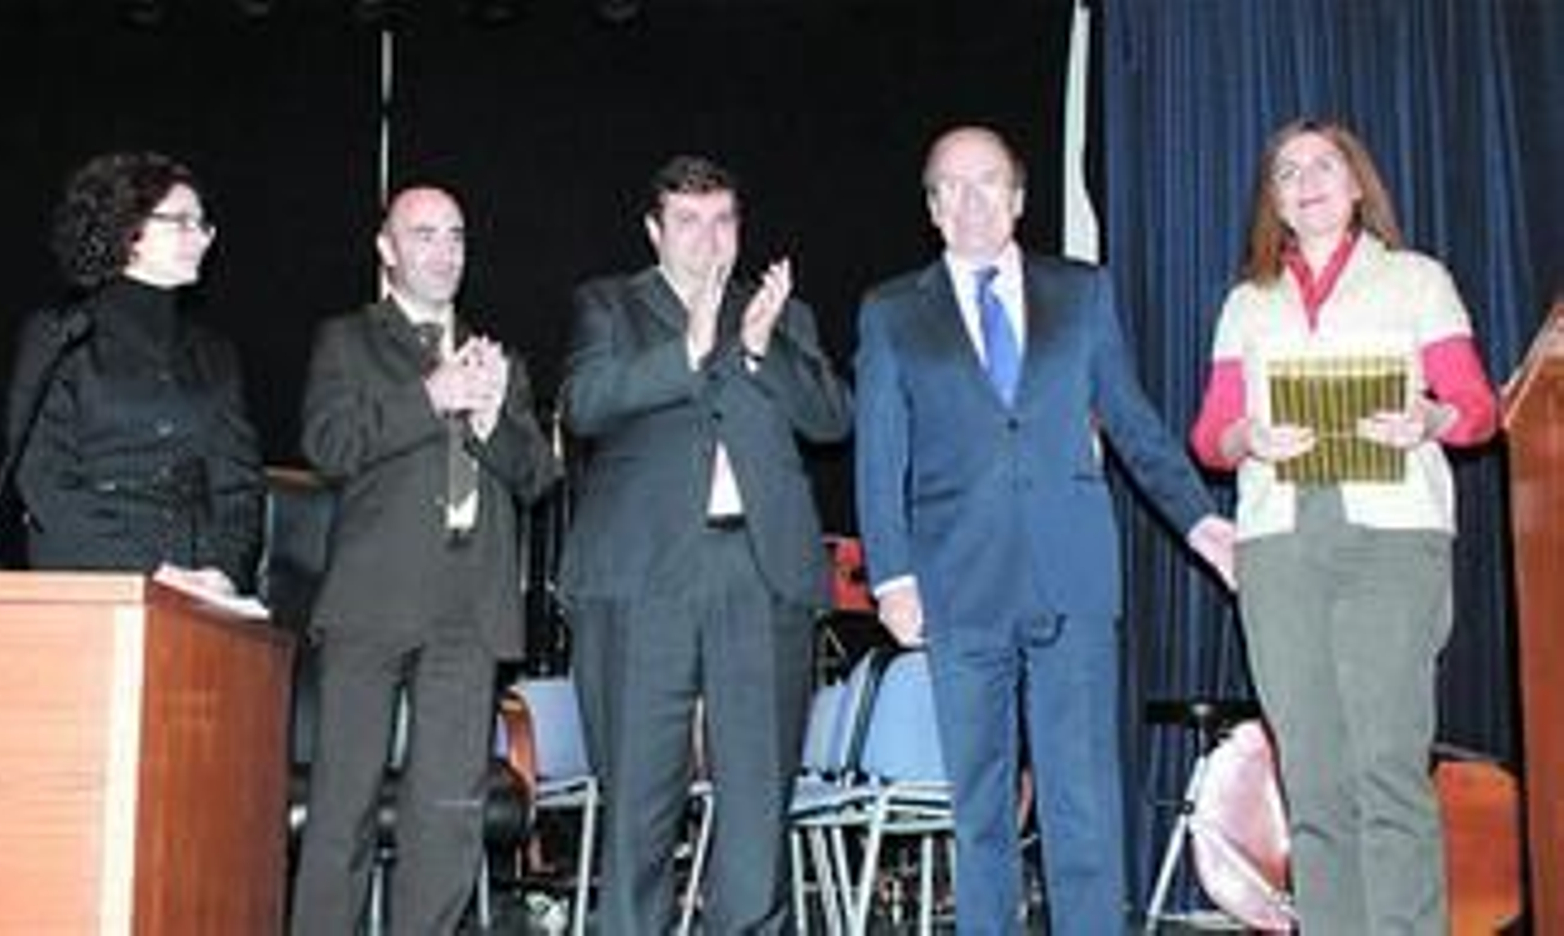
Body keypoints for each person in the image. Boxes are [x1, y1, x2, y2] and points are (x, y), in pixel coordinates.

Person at [854, 124, 1236, 935]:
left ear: (1020, 198)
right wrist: (891, 577)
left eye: (987, 182)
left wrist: (1203, 525)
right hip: (956, 584)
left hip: (1073, 576)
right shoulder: (892, 312)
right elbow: (878, 454)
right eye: (949, 186)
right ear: (930, 208)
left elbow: (1133, 424)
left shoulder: (1083, 293)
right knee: (981, 807)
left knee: (1083, 802)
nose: (970, 200)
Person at [1189, 118, 1498, 934]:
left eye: (1323, 165)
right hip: (1280, 541)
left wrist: (1429, 419)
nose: (1306, 180)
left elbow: (1480, 411)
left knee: (1387, 767)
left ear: (1358, 184)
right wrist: (1245, 437)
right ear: (1275, 202)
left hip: (1393, 536)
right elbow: (1209, 434)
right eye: (1287, 172)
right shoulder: (1246, 302)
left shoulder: (1416, 279)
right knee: (1316, 778)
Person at [558, 154, 852, 933]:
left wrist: (758, 348)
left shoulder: (780, 312)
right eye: (687, 222)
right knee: (638, 808)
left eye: (722, 220)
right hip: (642, 577)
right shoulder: (609, 306)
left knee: (757, 808)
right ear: (655, 230)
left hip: (756, 573)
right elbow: (585, 404)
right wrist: (688, 349)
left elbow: (832, 419)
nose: (706, 239)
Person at [289, 185, 561, 934]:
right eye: (424, 235)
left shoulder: (497, 358)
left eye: (456, 237)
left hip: (467, 611)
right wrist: (431, 396)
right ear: (387, 249)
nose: (444, 252)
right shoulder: (346, 340)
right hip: (372, 604)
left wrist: (494, 417)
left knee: (445, 821)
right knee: (340, 809)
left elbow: (539, 478)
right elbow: (328, 446)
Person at [6, 150, 263, 593]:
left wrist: (223, 571)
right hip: (88, 581)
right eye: (182, 221)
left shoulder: (215, 354)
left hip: (197, 584)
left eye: (203, 224)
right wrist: (149, 572)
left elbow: (238, 485)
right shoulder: (61, 334)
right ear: (128, 229)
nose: (200, 238)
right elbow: (43, 476)